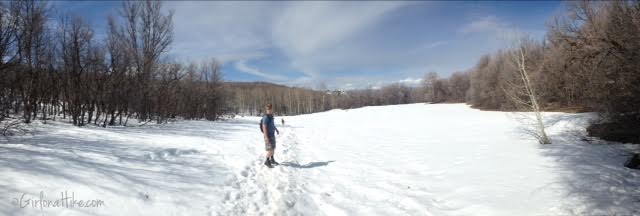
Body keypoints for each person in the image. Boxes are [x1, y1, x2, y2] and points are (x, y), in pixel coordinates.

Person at [261, 104, 280, 168]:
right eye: (268, 109)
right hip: (268, 136)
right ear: (266, 109)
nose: (269, 110)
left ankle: (272, 159)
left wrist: (276, 129)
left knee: (273, 148)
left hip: (272, 135)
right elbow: (264, 127)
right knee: (270, 150)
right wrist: (266, 137)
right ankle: (267, 161)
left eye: (270, 109)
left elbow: (272, 125)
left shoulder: (271, 116)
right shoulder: (266, 117)